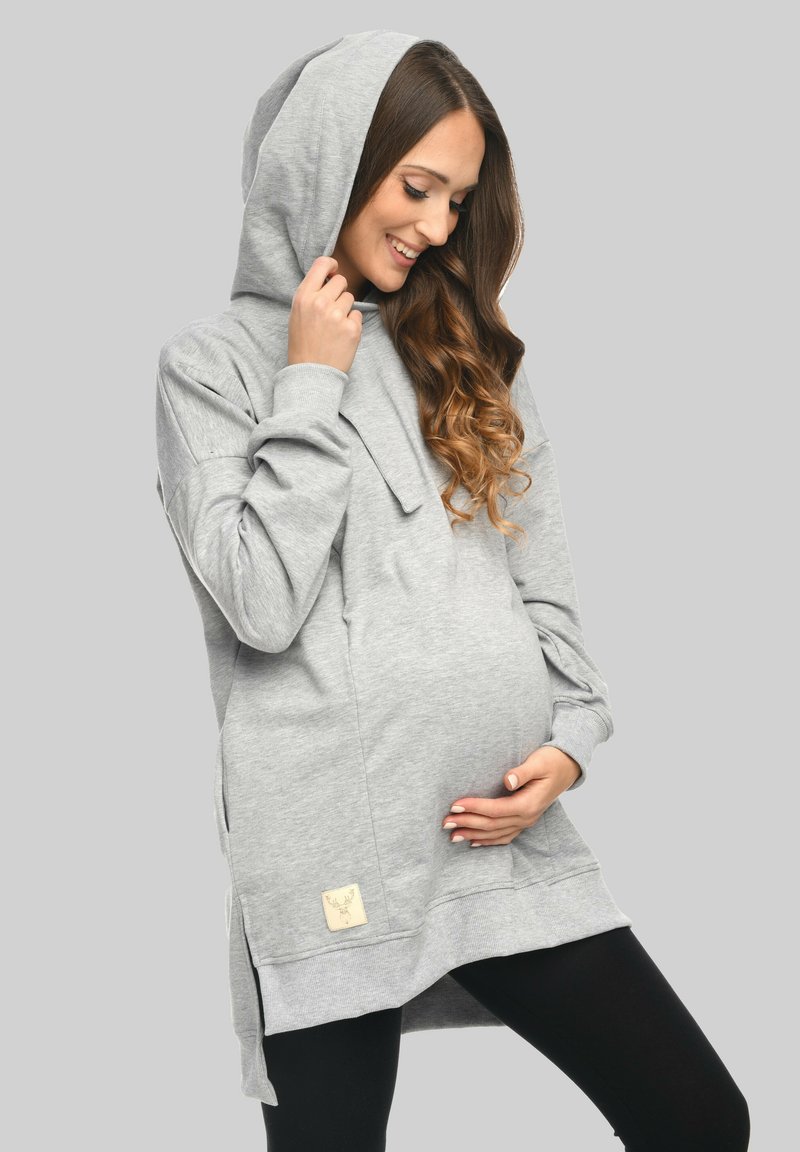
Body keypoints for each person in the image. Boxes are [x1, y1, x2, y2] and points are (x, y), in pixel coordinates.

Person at [154, 29, 750, 1151]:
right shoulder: (212, 368)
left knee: (697, 1118)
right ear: (330, 164)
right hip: (331, 859)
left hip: (496, 839)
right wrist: (310, 379)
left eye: (456, 200)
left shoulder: (463, 352)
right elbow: (261, 603)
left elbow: (545, 590)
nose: (435, 227)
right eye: (415, 187)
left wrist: (569, 745)